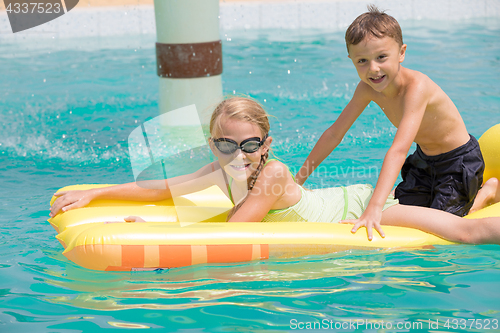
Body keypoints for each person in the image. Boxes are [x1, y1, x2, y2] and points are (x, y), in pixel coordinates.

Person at [49, 96, 500, 245]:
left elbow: (231, 231)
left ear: (266, 145)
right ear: (214, 144)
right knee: (459, 224)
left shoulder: (271, 175)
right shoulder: (225, 169)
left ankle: (484, 196)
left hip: (363, 206)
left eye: (249, 145)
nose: (238, 154)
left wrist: (148, 229)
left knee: (464, 234)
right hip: (341, 202)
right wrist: (99, 193)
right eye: (226, 145)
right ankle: (485, 193)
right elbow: (167, 188)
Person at [294, 5, 497, 239]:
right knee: (403, 216)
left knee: (442, 226)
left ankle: (485, 194)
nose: (373, 69)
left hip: (458, 161)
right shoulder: (366, 89)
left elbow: (399, 150)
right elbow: (333, 134)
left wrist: (374, 208)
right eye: (362, 60)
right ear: (350, 59)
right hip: (424, 161)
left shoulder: (417, 87)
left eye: (382, 57)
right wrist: (299, 180)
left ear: (401, 53)